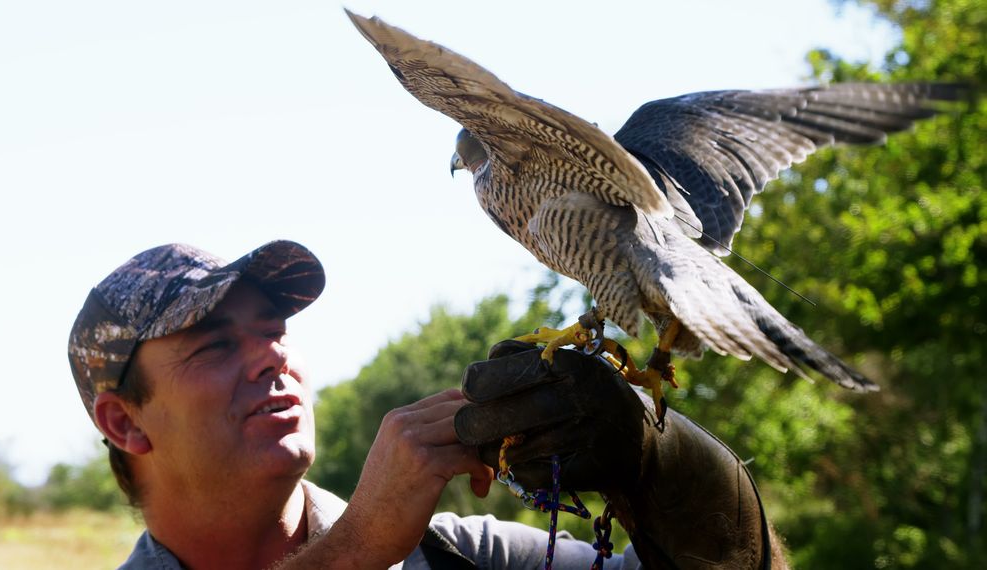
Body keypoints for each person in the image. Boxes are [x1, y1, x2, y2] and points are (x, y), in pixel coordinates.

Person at [68, 239, 787, 569]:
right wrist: (356, 549)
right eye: (214, 346)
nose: (272, 355)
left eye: (274, 331)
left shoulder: (459, 559)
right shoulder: (379, 545)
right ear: (123, 421)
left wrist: (655, 461)